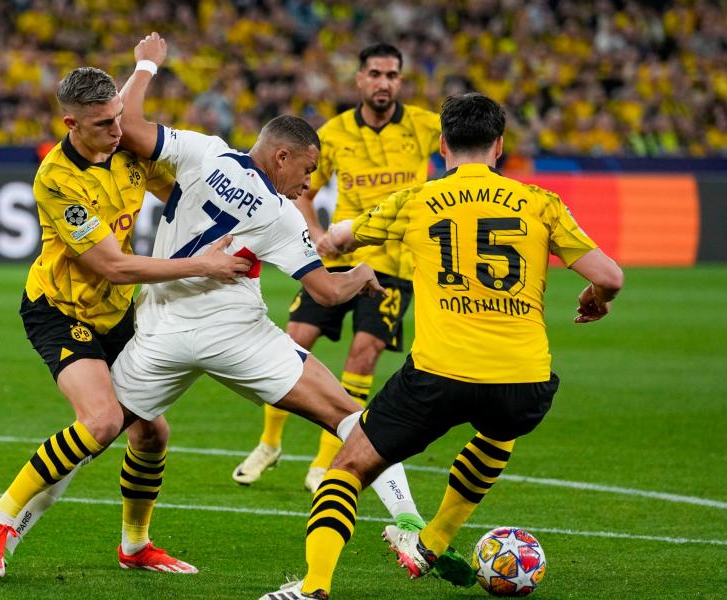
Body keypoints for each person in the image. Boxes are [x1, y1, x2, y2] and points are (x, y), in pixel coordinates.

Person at [261, 93, 624, 599]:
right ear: (499, 146)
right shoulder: (541, 203)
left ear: (441, 145)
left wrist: (332, 237)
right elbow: (610, 275)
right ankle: (433, 539)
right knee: (500, 429)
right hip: (524, 380)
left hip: (438, 376)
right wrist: (597, 297)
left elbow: (338, 241)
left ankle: (314, 587)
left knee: (347, 468)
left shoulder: (416, 200)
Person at [109, 32, 441, 550]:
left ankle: (11, 519)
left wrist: (146, 66)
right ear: (283, 156)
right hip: (234, 332)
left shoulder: (205, 152)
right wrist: (359, 273)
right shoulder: (283, 212)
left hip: (161, 325)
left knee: (102, 428)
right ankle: (408, 527)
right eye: (308, 171)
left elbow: (126, 126)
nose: (310, 184)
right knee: (350, 415)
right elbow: (329, 292)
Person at [0, 65, 252, 579]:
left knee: (152, 434)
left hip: (116, 311)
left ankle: (135, 545)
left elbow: (184, 196)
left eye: (119, 118)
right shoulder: (56, 180)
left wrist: (253, 212)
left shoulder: (129, 149)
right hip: (60, 311)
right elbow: (112, 265)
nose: (118, 131)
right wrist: (202, 264)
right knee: (101, 421)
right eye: (103, 125)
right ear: (71, 123)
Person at [232, 43, 443, 494]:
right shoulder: (334, 132)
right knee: (293, 342)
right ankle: (269, 443)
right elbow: (305, 190)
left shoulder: (425, 127)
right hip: (338, 257)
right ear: (360, 79)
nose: (384, 82)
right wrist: (314, 231)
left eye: (392, 75)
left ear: (401, 81)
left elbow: (464, 156)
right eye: (375, 73)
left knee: (363, 353)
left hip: (394, 265)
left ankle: (329, 459)